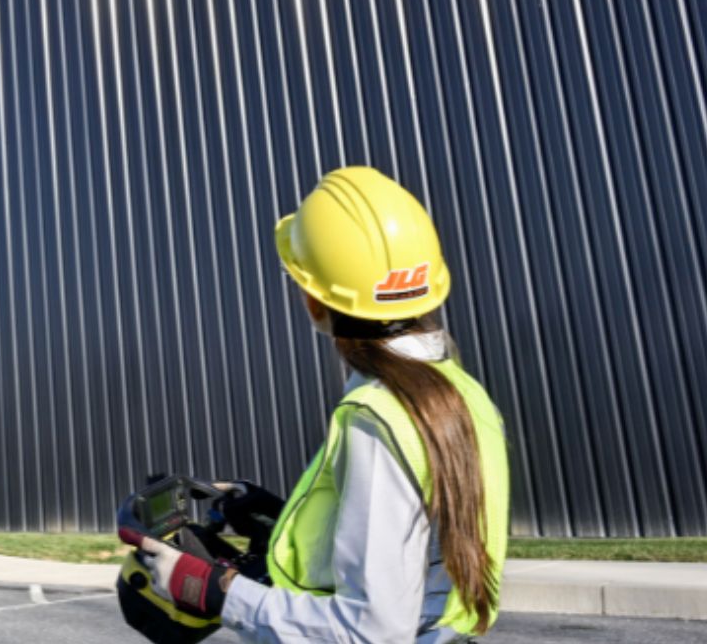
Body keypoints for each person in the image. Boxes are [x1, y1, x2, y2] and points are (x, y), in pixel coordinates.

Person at [126, 166, 511, 642]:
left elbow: (372, 632)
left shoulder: (376, 418)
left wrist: (217, 591)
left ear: (313, 300)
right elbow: (413, 544)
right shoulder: (463, 396)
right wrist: (276, 517)